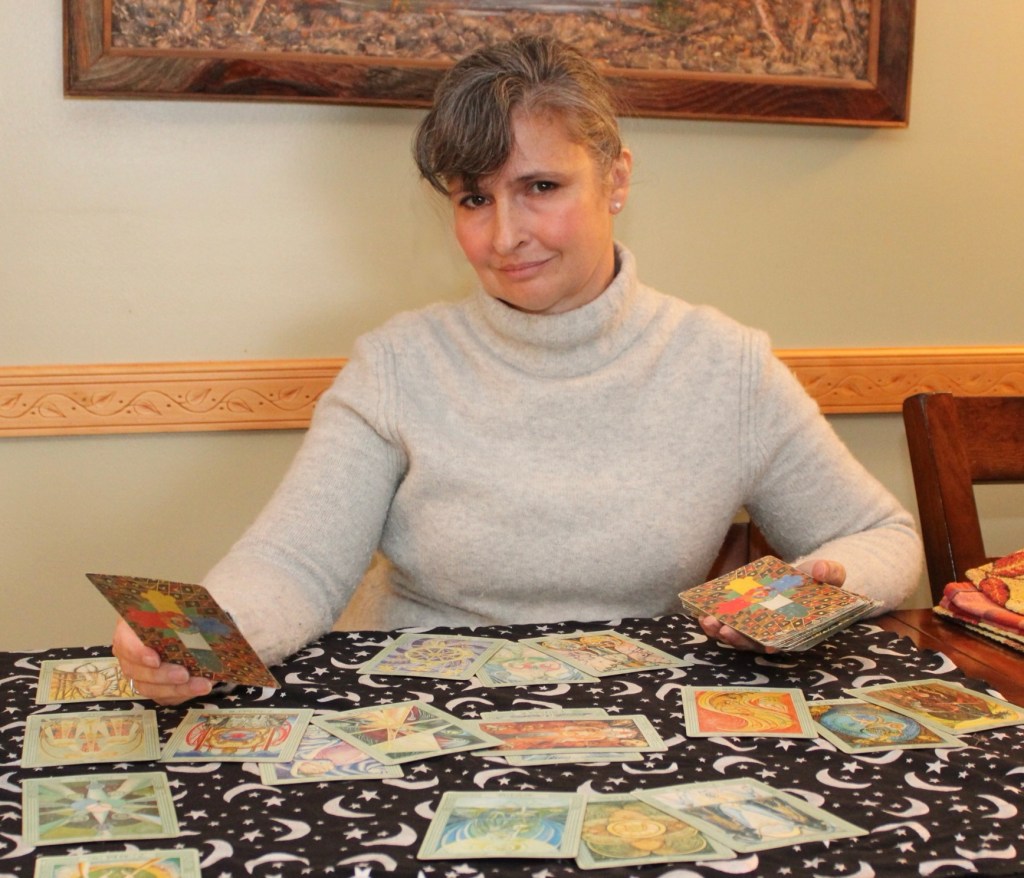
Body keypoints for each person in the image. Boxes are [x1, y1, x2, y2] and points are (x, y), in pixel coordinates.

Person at [113, 35, 923, 705]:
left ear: (616, 180)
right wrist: (190, 645)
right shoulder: (396, 363)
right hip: (408, 718)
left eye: (540, 187)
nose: (505, 236)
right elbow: (293, 564)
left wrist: (817, 586)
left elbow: (887, 538)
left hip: (632, 719)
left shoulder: (725, 365)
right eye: (474, 198)